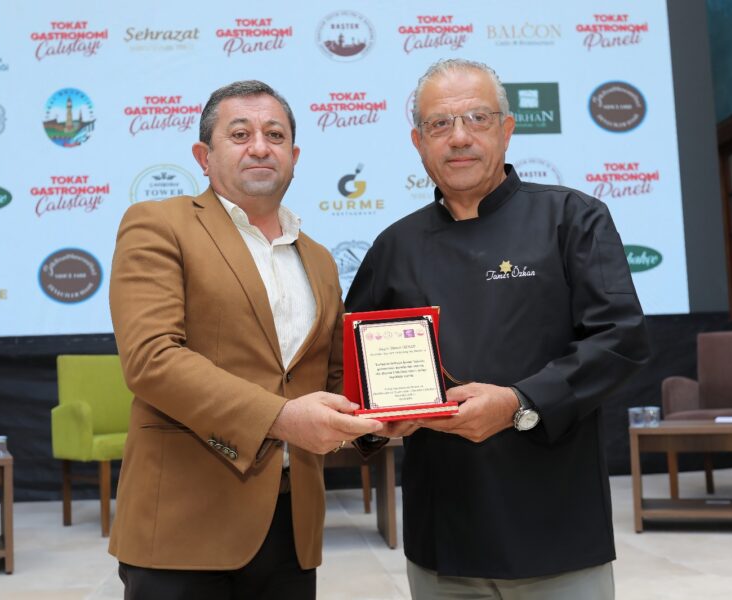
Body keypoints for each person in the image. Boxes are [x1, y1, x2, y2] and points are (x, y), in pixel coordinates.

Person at [346, 59, 650, 599]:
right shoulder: (394, 247)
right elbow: (352, 369)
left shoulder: (572, 218)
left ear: (507, 130)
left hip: (557, 524)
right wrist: (376, 422)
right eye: (440, 124)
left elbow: (620, 339)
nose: (459, 137)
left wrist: (518, 402)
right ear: (418, 142)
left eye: (477, 118)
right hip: (442, 535)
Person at [109, 80, 383, 600]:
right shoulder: (159, 225)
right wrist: (281, 418)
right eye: (240, 134)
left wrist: (385, 417)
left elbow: (332, 378)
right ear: (204, 157)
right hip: (183, 525)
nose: (260, 147)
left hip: (292, 526)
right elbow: (152, 359)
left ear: (294, 157)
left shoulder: (319, 259)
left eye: (275, 135)